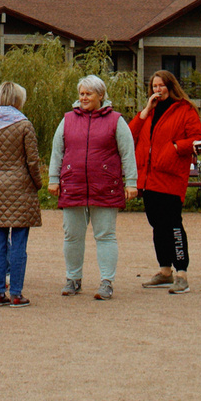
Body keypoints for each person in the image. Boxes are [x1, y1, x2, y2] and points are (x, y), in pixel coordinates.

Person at [47, 74, 136, 299]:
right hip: (73, 184)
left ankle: (107, 282)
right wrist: (53, 178)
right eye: (81, 94)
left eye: (88, 94)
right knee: (72, 235)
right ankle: (73, 279)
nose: (84, 98)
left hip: (105, 185)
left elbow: (128, 153)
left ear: (101, 95)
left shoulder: (116, 120)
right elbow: (57, 151)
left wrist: (131, 182)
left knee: (105, 235)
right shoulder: (67, 119)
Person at [130, 68, 200, 292]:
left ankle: (182, 273)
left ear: (171, 86)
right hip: (149, 179)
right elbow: (129, 135)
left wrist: (175, 148)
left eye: (161, 85)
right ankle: (165, 271)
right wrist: (145, 111)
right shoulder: (149, 112)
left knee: (173, 225)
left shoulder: (185, 110)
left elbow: (197, 139)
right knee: (157, 226)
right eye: (154, 86)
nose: (157, 90)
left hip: (171, 177)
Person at [0, 79, 43, 305]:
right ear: (18, 100)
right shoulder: (25, 126)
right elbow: (32, 161)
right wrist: (37, 182)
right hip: (22, 188)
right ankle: (16, 293)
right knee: (19, 243)